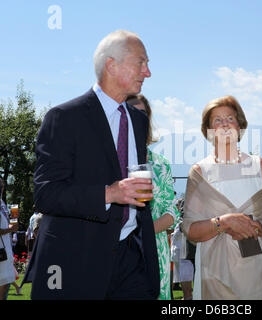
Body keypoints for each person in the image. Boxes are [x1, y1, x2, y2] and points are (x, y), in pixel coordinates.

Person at [23, 30, 160, 299]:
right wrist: (109, 193)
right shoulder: (64, 118)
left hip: (132, 262)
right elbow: (46, 195)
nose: (148, 72)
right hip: (76, 263)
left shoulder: (138, 120)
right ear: (112, 65)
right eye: (141, 63)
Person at [181, 95, 262, 300]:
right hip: (214, 272)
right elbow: (191, 230)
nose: (224, 124)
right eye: (217, 120)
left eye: (230, 118)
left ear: (240, 125)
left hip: (256, 269)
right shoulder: (200, 171)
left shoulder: (258, 166)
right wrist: (224, 222)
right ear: (208, 130)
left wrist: (254, 227)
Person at [127, 94, 181, 300]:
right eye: (129, 113)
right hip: (117, 254)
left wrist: (142, 234)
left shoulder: (160, 164)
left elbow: (171, 211)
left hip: (155, 252)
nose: (136, 119)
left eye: (142, 114)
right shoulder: (108, 161)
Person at [0, 177, 18, 300]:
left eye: (2, 184)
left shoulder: (2, 203)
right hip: (1, 252)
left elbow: (6, 225)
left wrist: (13, 222)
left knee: (5, 284)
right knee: (3, 284)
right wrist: (10, 230)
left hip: (6, 250)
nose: (2, 187)